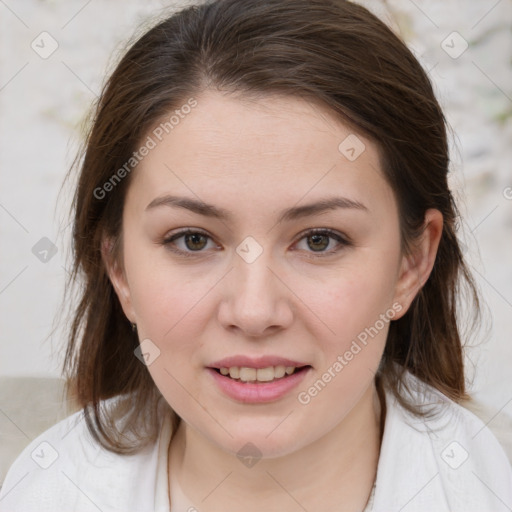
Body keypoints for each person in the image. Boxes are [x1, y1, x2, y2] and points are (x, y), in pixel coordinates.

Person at [1, 0, 511, 510]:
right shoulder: (43, 491)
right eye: (192, 239)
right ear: (119, 268)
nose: (253, 311)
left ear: (411, 264)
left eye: (319, 240)